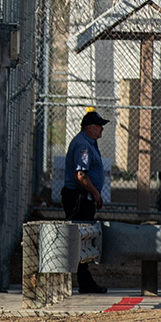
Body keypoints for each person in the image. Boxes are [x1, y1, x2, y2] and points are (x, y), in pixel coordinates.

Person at [61, 109, 112, 294]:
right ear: (89, 128)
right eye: (99, 126)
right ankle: (83, 281)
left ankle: (85, 281)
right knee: (78, 240)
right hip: (78, 199)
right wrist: (96, 193)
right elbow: (81, 175)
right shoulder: (83, 145)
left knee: (82, 240)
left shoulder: (90, 143)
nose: (102, 129)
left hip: (83, 198)